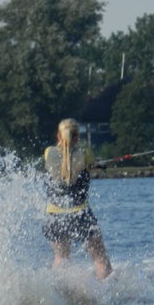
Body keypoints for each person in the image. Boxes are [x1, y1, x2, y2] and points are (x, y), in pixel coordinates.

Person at [43, 118, 113, 280]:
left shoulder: (48, 153)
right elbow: (89, 164)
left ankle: (56, 293)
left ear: (58, 136)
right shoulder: (84, 154)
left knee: (61, 257)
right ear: (77, 138)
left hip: (53, 216)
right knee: (99, 258)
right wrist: (98, 164)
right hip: (79, 214)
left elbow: (65, 165)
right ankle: (109, 296)